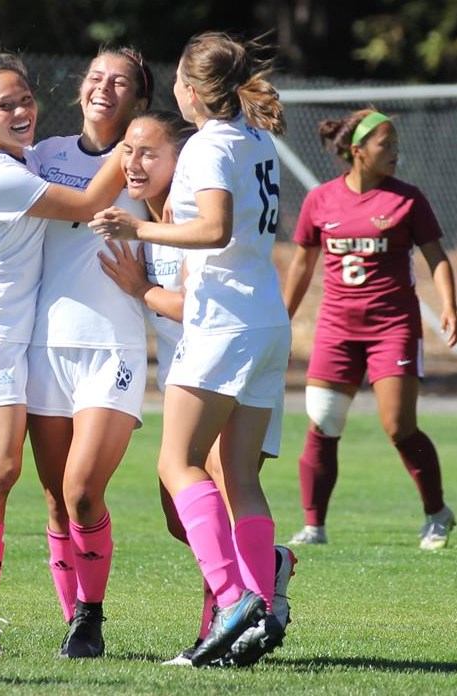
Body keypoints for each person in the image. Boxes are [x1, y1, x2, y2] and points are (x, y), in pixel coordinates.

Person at [0, 52, 129, 656]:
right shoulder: (2, 173)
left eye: (26, 98)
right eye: (4, 104)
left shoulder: (19, 161)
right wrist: (136, 143)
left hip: (6, 337)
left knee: (1, 480)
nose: (21, 110)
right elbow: (87, 207)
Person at [91, 31, 290, 667]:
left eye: (178, 78)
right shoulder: (258, 139)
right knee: (239, 478)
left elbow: (214, 228)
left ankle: (234, 601)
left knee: (178, 464)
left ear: (191, 88)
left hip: (222, 319)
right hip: (266, 319)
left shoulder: (206, 144)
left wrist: (137, 225)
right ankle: (255, 610)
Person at [24, 47, 154, 659]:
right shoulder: (45, 154)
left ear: (140, 102)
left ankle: (92, 614)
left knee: (81, 489)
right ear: (81, 87)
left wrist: (150, 287)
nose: (105, 87)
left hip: (113, 345)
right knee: (54, 498)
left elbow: (188, 228)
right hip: (46, 346)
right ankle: (74, 621)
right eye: (97, 76)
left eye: (120, 82)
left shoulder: (146, 165)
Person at [283, 108, 457, 551]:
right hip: (336, 328)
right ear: (357, 151)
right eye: (387, 144)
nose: (396, 152)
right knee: (323, 422)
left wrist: (450, 307)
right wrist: (281, 319)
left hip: (393, 327)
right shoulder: (320, 200)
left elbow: (436, 257)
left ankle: (437, 513)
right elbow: (302, 264)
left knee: (398, 425)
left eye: (397, 143)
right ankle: (314, 526)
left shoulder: (408, 199)